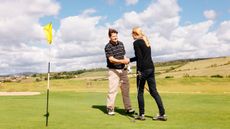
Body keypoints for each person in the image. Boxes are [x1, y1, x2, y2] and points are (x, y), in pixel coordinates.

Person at [129, 27, 167, 121]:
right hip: (151, 68)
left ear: (135, 34)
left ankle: (141, 115)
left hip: (143, 70)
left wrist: (139, 71)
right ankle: (162, 114)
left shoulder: (136, 43)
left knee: (140, 92)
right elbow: (142, 56)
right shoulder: (146, 41)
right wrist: (129, 60)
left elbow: (139, 58)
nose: (132, 36)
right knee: (154, 92)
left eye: (132, 34)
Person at [104, 28, 135, 115]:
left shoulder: (121, 44)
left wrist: (127, 65)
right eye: (113, 36)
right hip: (113, 71)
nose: (115, 37)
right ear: (109, 37)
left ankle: (128, 108)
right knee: (112, 90)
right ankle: (110, 108)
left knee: (125, 90)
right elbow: (111, 59)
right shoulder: (108, 46)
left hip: (123, 70)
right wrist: (122, 62)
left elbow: (123, 56)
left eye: (116, 36)